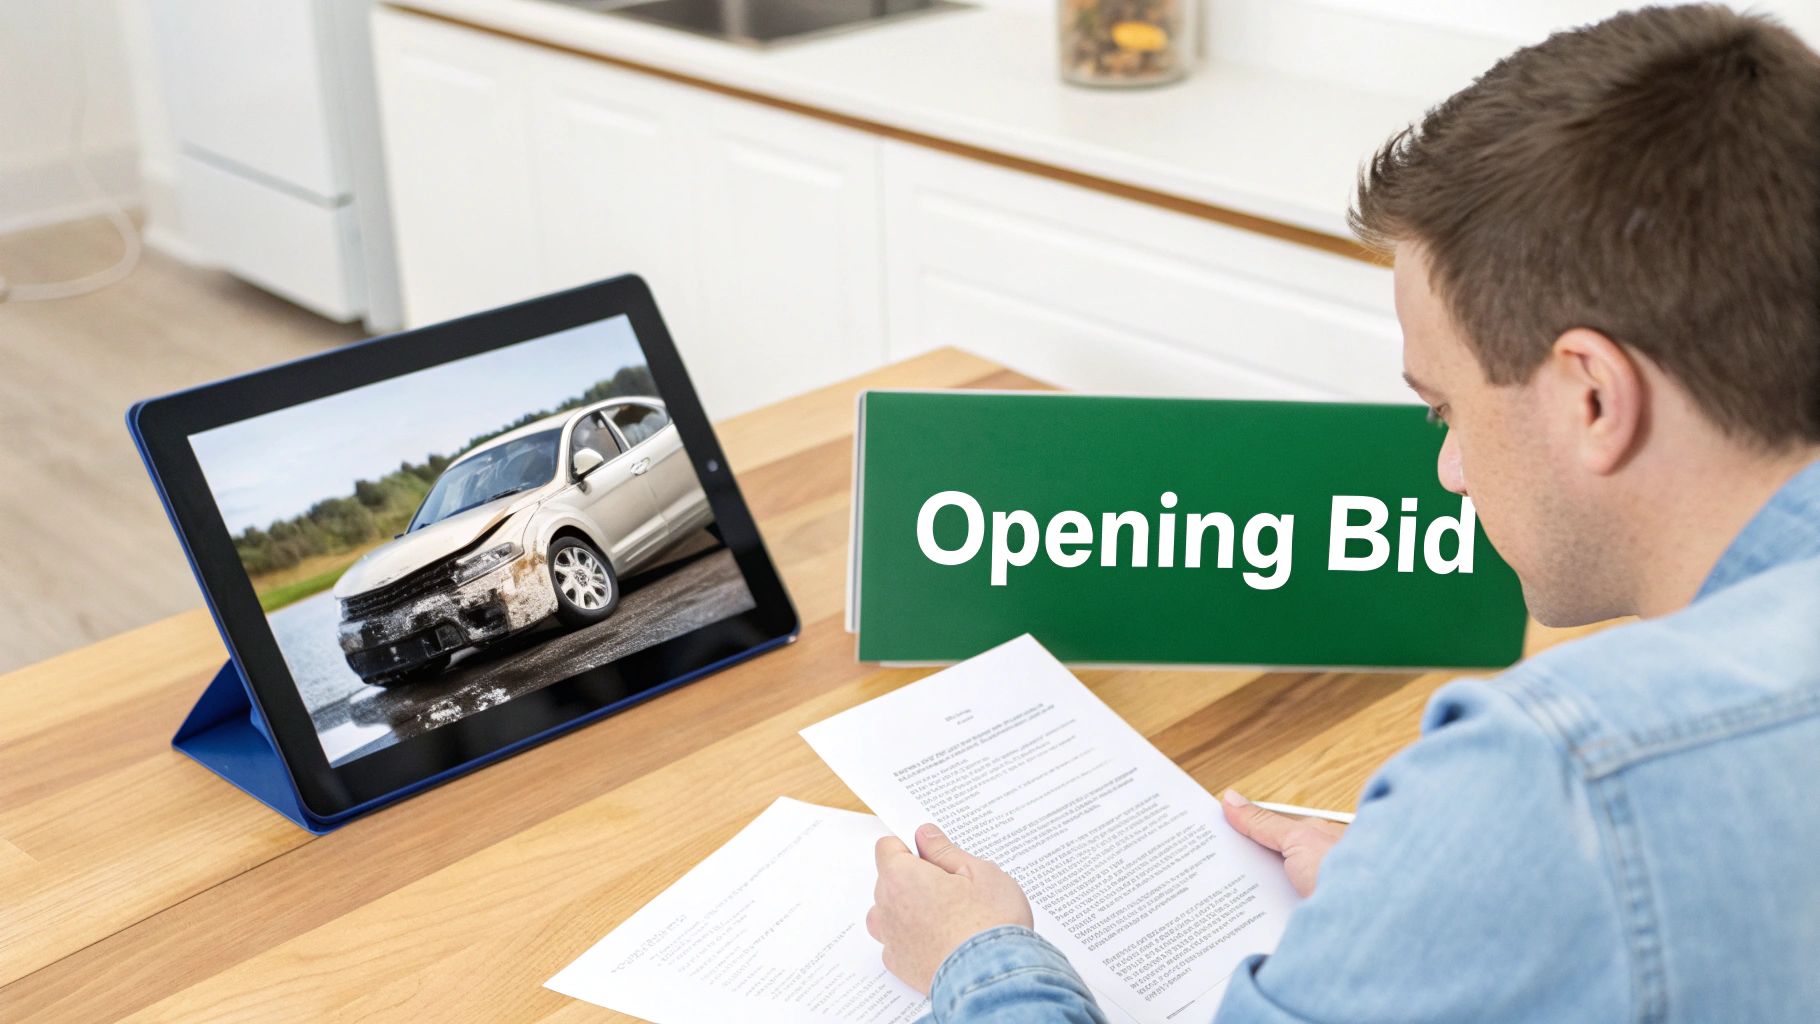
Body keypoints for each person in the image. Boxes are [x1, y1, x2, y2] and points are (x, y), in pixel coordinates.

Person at [866, 5, 1820, 1021]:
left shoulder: (1559, 770)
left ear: (1590, 398)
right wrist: (1432, 894)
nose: (1448, 470)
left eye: (1445, 409)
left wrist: (977, 957)